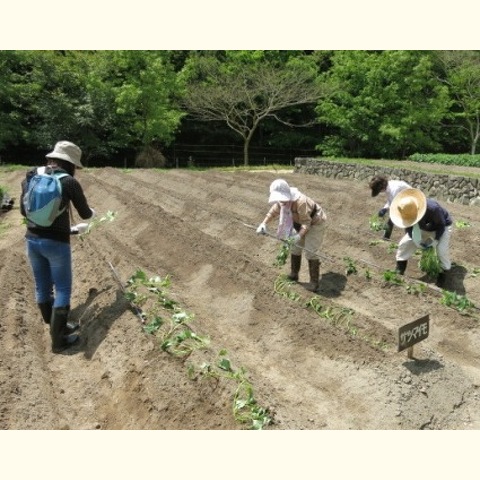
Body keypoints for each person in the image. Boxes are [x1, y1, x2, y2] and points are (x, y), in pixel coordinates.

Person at [20, 141, 95, 353]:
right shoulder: (69, 181)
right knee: (62, 289)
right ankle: (59, 340)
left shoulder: (31, 175)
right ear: (71, 163)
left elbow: (23, 212)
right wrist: (87, 220)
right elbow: (86, 214)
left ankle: (53, 326)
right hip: (57, 244)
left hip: (32, 239)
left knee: (42, 286)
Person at [256, 179, 327, 292]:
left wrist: (298, 236)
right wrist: (263, 223)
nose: (281, 202)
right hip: (299, 223)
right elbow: (272, 212)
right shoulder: (282, 202)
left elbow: (306, 223)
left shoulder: (300, 202)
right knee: (294, 248)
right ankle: (294, 274)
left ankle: (314, 282)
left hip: (315, 223)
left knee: (310, 251)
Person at [389, 187, 453, 288]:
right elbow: (409, 228)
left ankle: (442, 275)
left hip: (442, 227)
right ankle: (400, 269)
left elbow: (441, 225)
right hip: (424, 227)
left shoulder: (432, 208)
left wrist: (435, 241)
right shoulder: (405, 211)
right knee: (404, 243)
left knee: (441, 250)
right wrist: (416, 240)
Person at [369, 175, 411, 239]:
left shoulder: (394, 189)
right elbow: (390, 201)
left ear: (382, 187)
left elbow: (395, 205)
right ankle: (386, 237)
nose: (380, 192)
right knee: (392, 217)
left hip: (411, 201)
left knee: (408, 221)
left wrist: (386, 210)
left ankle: (410, 239)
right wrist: (384, 208)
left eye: (379, 191)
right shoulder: (388, 188)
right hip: (402, 202)